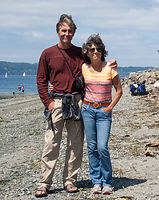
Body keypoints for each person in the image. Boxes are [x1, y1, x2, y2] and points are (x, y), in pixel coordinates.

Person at [35, 14, 84, 197]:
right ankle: (44, 182)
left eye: (70, 31)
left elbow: (94, 66)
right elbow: (41, 80)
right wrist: (47, 102)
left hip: (76, 101)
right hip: (56, 101)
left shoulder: (80, 53)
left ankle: (70, 180)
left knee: (75, 143)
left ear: (74, 33)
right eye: (64, 30)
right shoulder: (47, 53)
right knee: (51, 144)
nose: (67, 34)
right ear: (58, 32)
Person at [81, 34, 122, 195]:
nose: (95, 51)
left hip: (104, 111)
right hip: (87, 110)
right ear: (87, 51)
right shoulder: (84, 67)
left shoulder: (110, 68)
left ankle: (108, 182)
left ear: (102, 50)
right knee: (91, 147)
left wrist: (110, 107)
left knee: (102, 147)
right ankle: (96, 182)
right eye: (92, 49)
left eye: (98, 48)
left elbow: (119, 91)